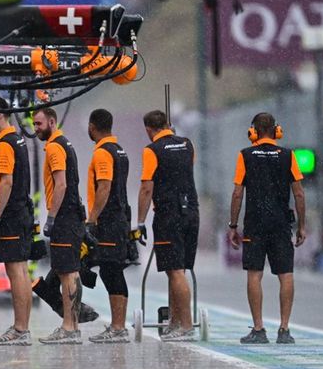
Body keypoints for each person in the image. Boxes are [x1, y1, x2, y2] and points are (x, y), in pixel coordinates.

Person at [226, 112, 307, 344]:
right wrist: (302, 225)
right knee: (286, 274)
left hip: (255, 223)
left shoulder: (246, 155)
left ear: (253, 132)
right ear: (276, 131)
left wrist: (233, 225)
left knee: (255, 274)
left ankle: (259, 329)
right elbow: (299, 193)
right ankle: (284, 329)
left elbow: (237, 192)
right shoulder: (288, 155)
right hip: (281, 222)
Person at [136, 110, 199, 341]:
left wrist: (140, 222)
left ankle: (186, 326)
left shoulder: (151, 150)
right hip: (191, 211)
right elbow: (185, 167)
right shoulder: (187, 144)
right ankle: (174, 321)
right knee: (179, 269)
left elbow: (146, 188)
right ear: (168, 125)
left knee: (174, 271)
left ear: (148, 129)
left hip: (168, 214)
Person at [0, 96, 34, 346]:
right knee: (21, 270)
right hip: (22, 212)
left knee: (16, 272)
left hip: (11, 216)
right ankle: (22, 328)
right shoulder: (18, 139)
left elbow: (7, 181)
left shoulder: (4, 144)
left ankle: (20, 330)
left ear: (0, 115)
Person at [33, 107, 84, 344]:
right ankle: (72, 326)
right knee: (69, 270)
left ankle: (69, 328)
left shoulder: (55, 146)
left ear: (52, 122)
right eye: (34, 124)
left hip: (64, 216)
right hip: (71, 214)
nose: (35, 129)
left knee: (67, 272)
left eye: (39, 124)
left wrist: (51, 217)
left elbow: (61, 184)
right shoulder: (66, 143)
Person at [85, 108, 132, 343]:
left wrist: (92, 218)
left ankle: (118, 328)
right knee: (111, 270)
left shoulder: (103, 152)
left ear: (92, 127)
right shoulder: (120, 150)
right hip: (120, 217)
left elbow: (104, 187)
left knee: (111, 270)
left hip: (109, 220)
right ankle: (118, 326)